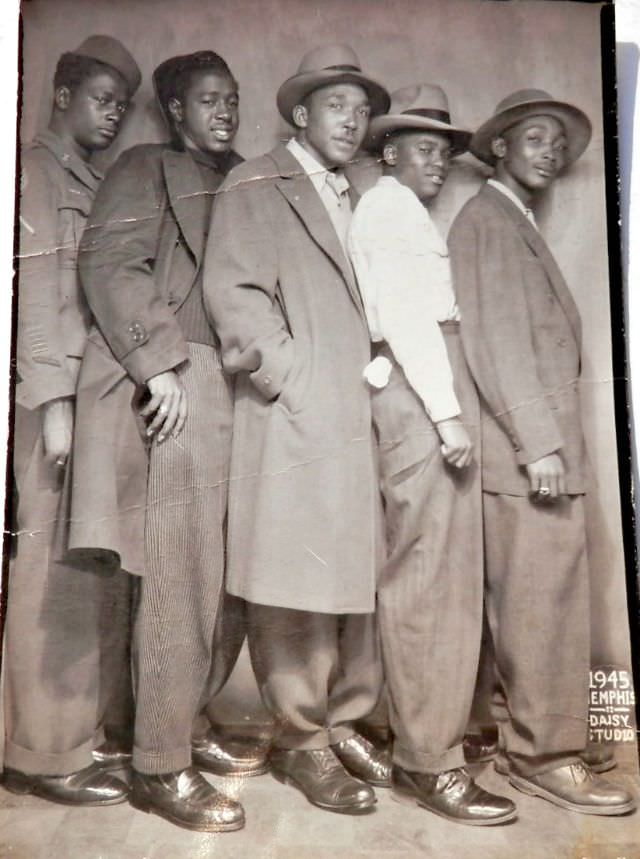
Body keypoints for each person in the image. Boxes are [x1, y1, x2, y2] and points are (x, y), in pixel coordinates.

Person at [70, 50, 265, 833]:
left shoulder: (251, 177)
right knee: (181, 573)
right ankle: (159, 761)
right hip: (184, 380)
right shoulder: (146, 165)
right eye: (209, 100)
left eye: (234, 97)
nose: (225, 111)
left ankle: (184, 722)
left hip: (247, 389)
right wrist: (161, 367)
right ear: (177, 110)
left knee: (228, 577)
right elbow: (110, 261)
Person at [204, 45, 392, 815]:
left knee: (334, 576)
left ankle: (329, 723)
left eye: (361, 108)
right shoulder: (258, 181)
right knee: (291, 581)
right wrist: (293, 377)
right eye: (335, 105)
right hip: (291, 416)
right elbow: (235, 295)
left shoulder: (352, 192)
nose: (351, 120)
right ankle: (302, 740)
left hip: (347, 415)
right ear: (300, 113)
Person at [448, 89, 636, 816]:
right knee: (541, 607)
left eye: (560, 143)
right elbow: (496, 344)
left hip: (532, 452)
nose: (552, 152)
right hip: (529, 457)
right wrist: (538, 447)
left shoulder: (509, 220)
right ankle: (544, 756)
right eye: (535, 137)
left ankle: (528, 732)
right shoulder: (489, 221)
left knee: (535, 605)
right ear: (498, 147)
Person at [347, 83, 516, 826]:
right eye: (423, 149)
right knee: (430, 581)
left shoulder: (401, 209)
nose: (439, 163)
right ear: (387, 152)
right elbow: (411, 320)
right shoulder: (388, 209)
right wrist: (446, 416)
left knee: (431, 575)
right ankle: (429, 763)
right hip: (423, 393)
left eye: (445, 152)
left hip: (419, 384)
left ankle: (425, 741)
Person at [4, 35, 140, 806]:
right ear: (60, 97)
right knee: (48, 574)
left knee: (78, 572)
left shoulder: (84, 175)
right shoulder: (34, 171)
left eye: (121, 103)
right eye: (100, 98)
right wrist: (53, 404)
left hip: (87, 399)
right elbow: (39, 300)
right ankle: (42, 752)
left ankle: (70, 739)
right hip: (49, 400)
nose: (114, 113)